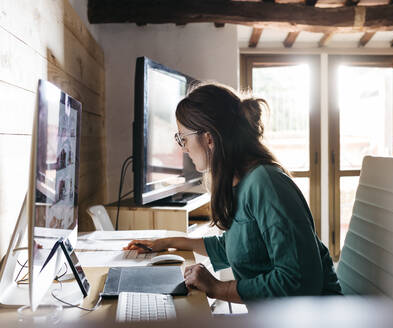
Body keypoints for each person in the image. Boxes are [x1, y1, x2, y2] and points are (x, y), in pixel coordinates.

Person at [125, 82, 342, 304]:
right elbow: (238, 245)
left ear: (209, 138)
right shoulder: (244, 182)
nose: (184, 148)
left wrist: (218, 288)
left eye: (184, 138)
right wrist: (169, 242)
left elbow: (299, 282)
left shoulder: (266, 184)